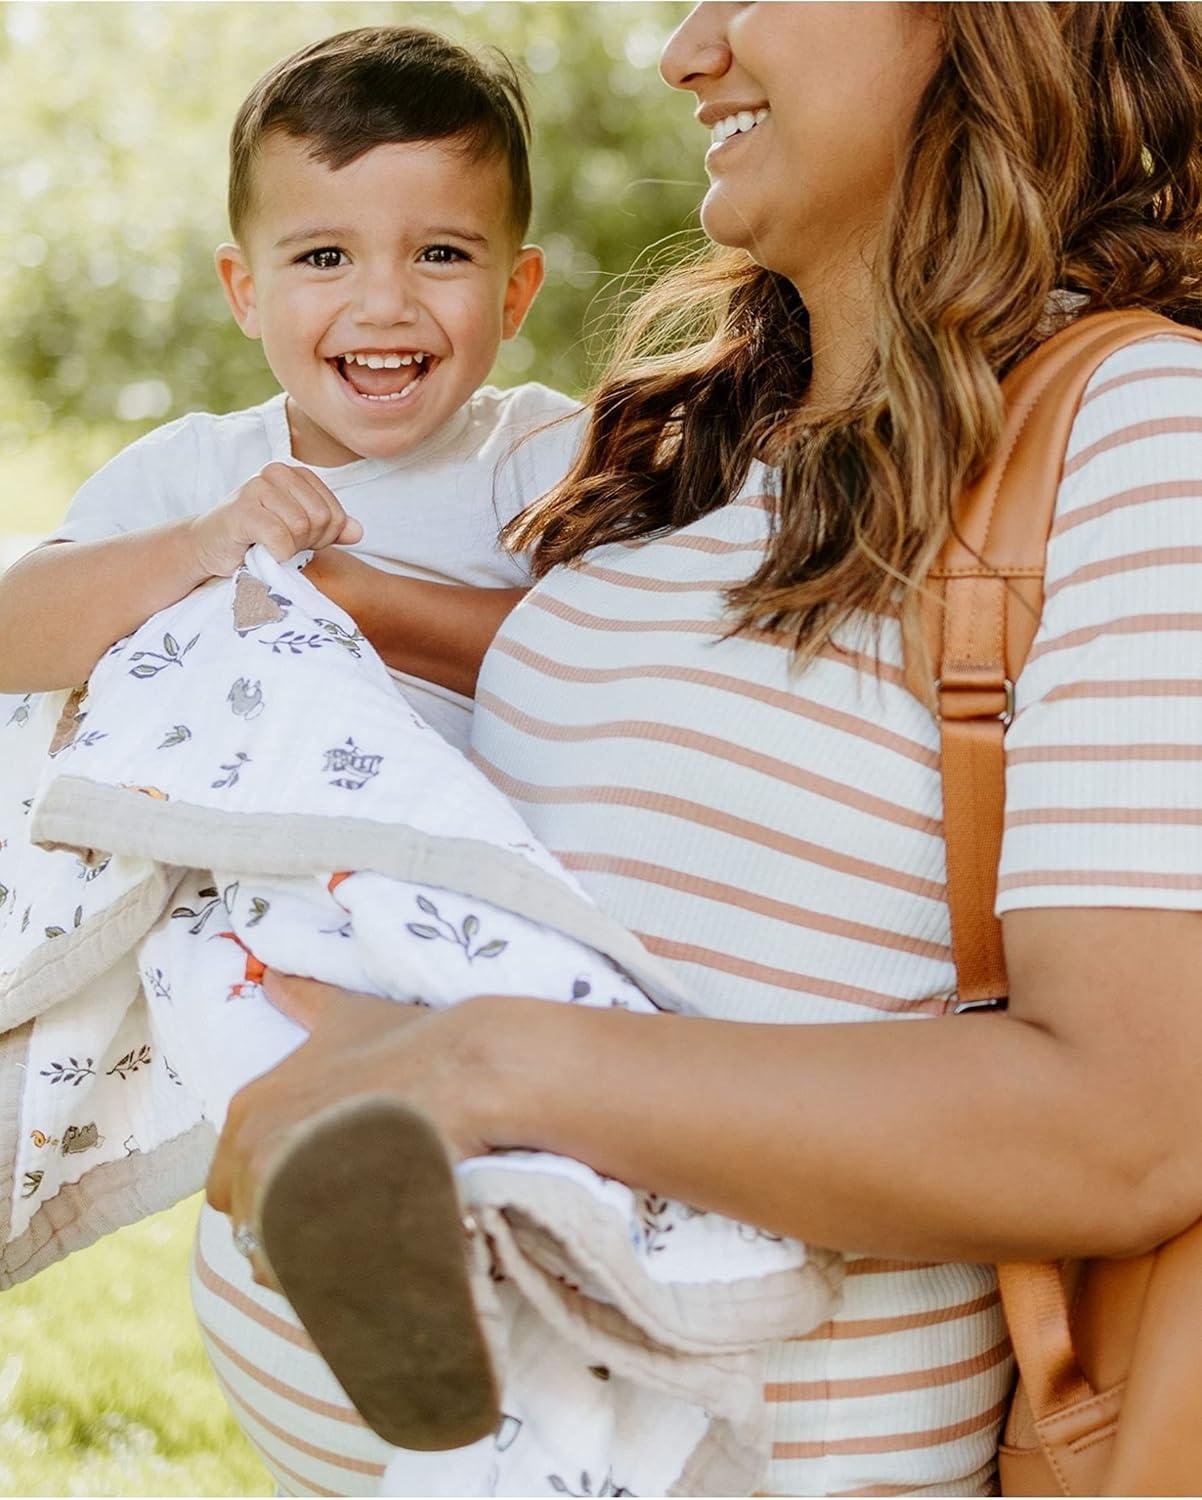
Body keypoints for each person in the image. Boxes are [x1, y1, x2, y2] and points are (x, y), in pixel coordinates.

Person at [204, 3, 1202, 1495]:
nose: (684, 50)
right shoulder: (708, 441)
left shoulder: (1136, 426)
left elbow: (1128, 1123)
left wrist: (479, 1065)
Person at [0, 25, 580, 754]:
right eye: (325, 255)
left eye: (440, 253)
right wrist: (199, 547)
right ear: (246, 293)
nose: (382, 304)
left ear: (513, 293)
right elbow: (12, 637)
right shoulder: (203, 471)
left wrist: (353, 598)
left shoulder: (543, 454)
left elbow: (618, 657)